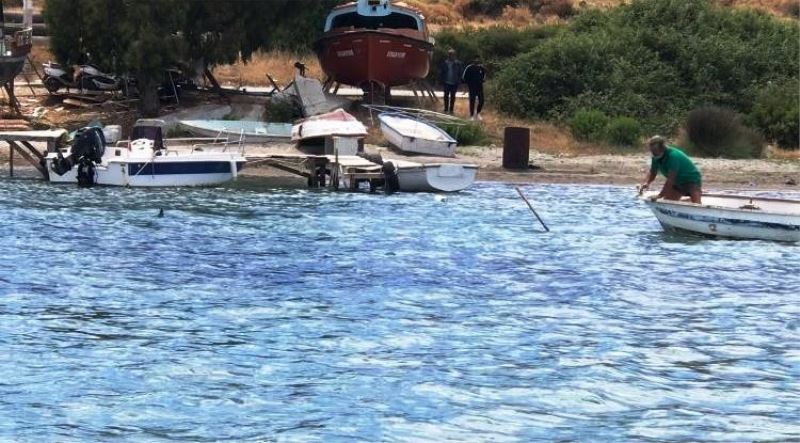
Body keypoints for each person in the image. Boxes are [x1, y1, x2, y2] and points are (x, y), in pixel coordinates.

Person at [640, 135, 703, 203]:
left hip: (692, 180)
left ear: (663, 148)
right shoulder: (655, 157)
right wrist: (647, 182)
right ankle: (687, 200)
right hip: (677, 182)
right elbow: (653, 172)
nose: (654, 153)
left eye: (655, 151)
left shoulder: (673, 156)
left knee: (697, 205)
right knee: (668, 202)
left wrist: (660, 195)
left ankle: (691, 199)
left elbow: (671, 179)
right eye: (652, 151)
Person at [439, 48, 463, 114]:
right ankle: (446, 109)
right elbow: (441, 72)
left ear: (455, 55)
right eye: (450, 54)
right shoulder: (445, 63)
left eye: (453, 55)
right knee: (446, 96)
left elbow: (460, 73)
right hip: (446, 82)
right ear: (448, 55)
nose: (451, 56)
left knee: (453, 96)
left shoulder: (458, 64)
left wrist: (460, 81)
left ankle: (451, 110)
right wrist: (440, 81)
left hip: (454, 83)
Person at [462, 57, 487, 121]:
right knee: (472, 101)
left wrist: (483, 79)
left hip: (479, 87)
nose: (477, 60)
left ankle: (478, 113)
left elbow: (484, 76)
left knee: (481, 100)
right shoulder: (469, 67)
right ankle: (471, 116)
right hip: (472, 87)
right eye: (475, 59)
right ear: (473, 60)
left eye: (478, 59)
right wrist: (465, 88)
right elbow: (464, 78)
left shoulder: (481, 68)